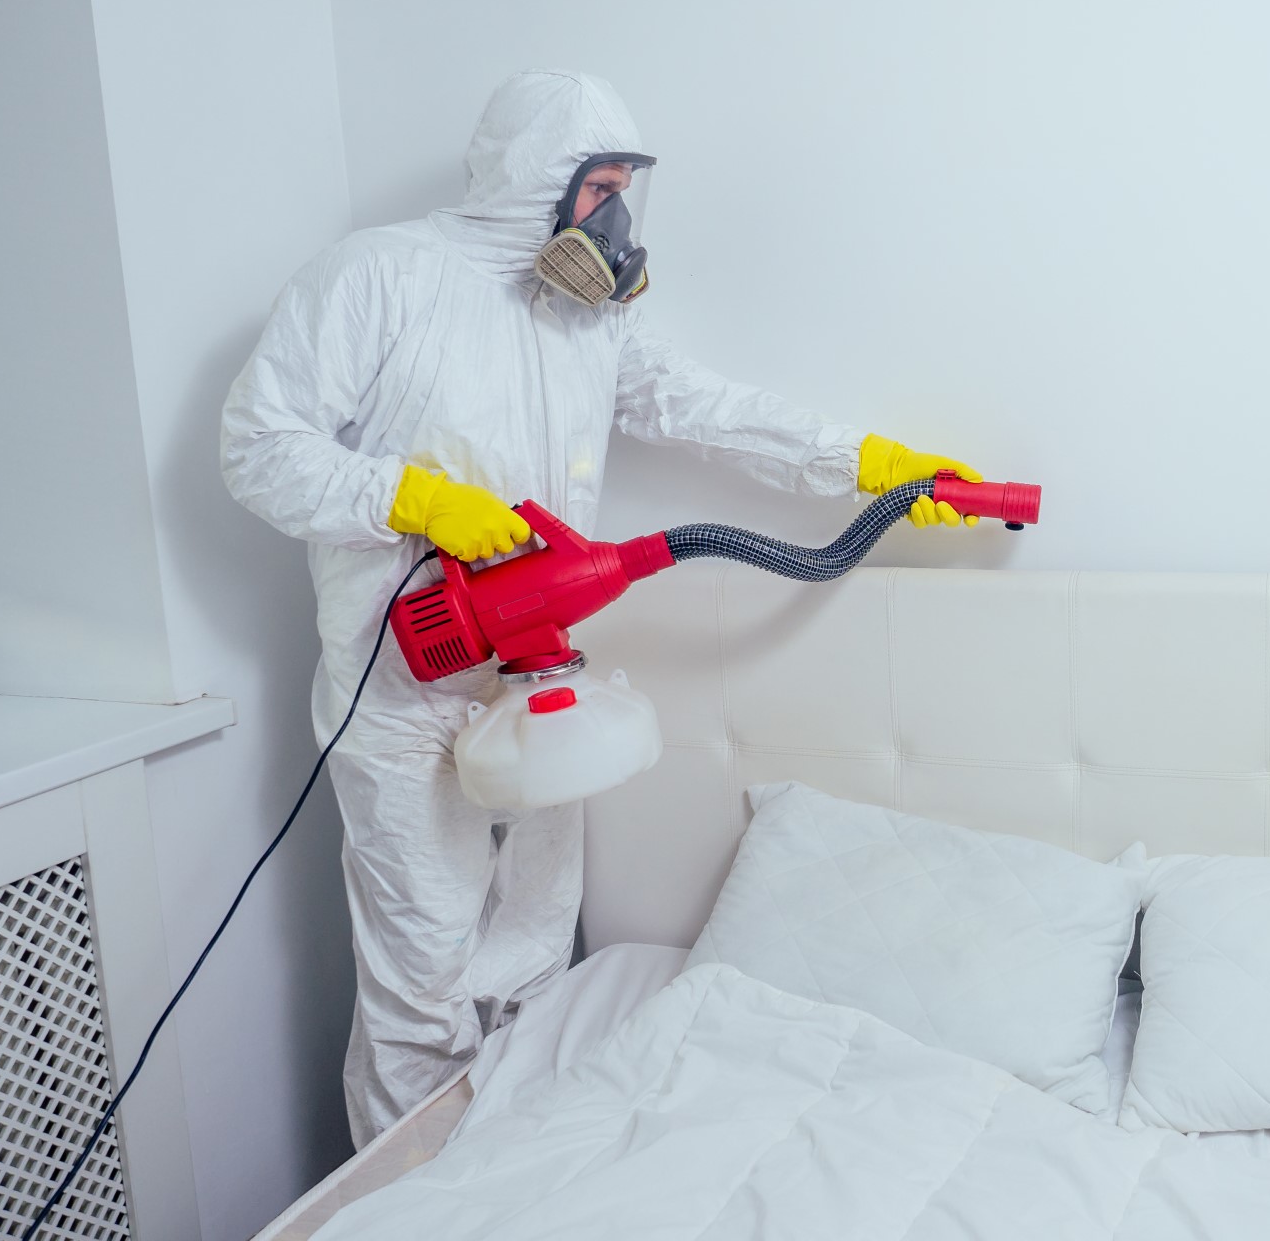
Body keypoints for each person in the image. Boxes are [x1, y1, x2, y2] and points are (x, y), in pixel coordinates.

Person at [220, 68, 980, 1147]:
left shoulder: (581, 322)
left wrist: (871, 465)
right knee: (421, 978)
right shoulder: (376, 277)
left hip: (538, 680)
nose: (615, 216)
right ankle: (406, 1200)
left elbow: (703, 408)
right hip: (403, 692)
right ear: (535, 180)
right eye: (599, 186)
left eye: (626, 189)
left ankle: (519, 1177)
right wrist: (407, 494)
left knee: (535, 953)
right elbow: (256, 445)